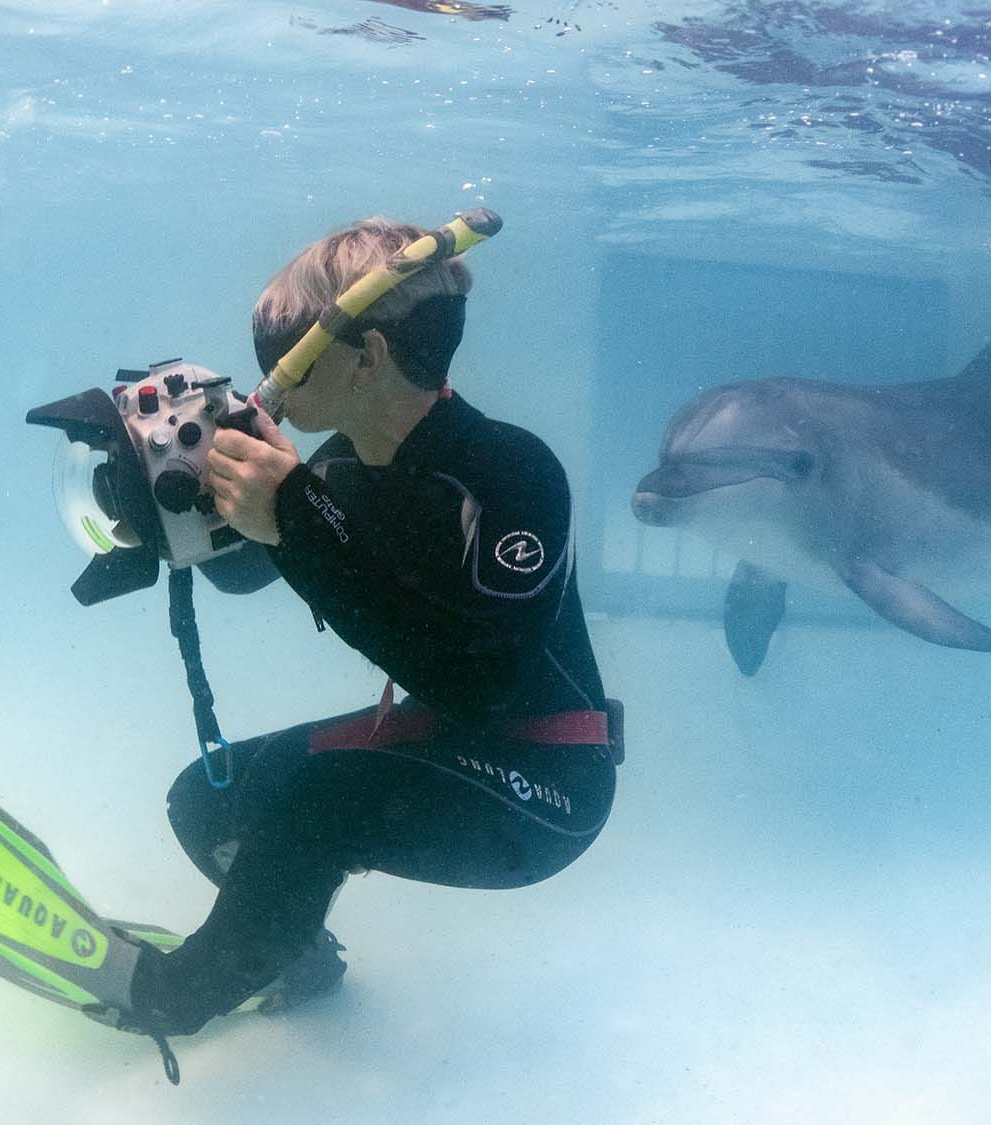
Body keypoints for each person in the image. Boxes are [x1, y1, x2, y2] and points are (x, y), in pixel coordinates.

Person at [121, 218, 623, 1037]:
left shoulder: (513, 472)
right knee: (207, 798)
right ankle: (298, 957)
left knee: (315, 802)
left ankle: (176, 995)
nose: (266, 373)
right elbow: (249, 566)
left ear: (369, 357)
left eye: (285, 349)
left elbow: (479, 683)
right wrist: (178, 509)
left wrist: (294, 514)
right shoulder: (340, 465)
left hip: (546, 778)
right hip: (446, 735)